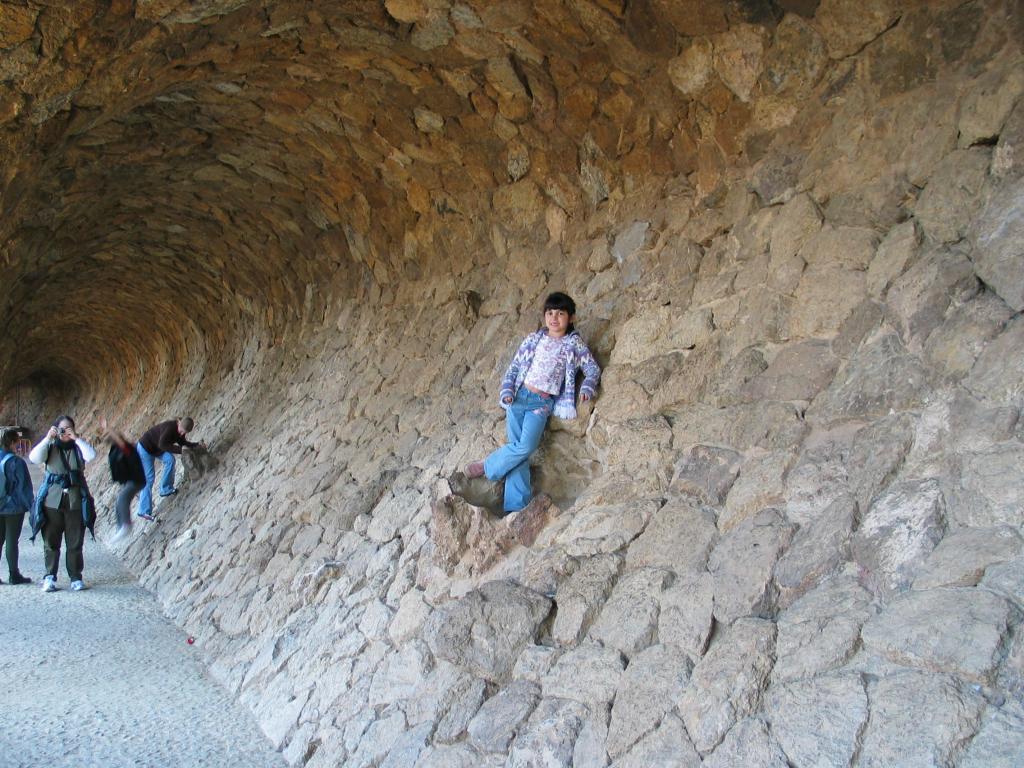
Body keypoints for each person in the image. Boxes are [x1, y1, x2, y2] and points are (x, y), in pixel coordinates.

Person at [466, 292, 601, 515]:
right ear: (544, 316)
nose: (554, 318)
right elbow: (514, 367)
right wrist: (508, 390)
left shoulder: (573, 344)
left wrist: (587, 386)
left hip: (541, 403)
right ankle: (516, 507)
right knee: (519, 454)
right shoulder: (533, 340)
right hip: (519, 398)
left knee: (525, 447)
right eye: (550, 313)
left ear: (571, 317)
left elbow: (592, 369)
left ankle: (488, 466)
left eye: (560, 313)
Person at [29, 415, 96, 592]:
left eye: (68, 428)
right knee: (51, 541)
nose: (65, 432)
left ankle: (75, 576)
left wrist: (77, 438)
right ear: (56, 430)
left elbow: (91, 455)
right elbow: (34, 458)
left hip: (75, 500)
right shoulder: (50, 447)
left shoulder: (78, 447)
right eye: (62, 429)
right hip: (52, 501)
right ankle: (49, 576)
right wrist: (47, 438)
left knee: (75, 542)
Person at [135, 417, 204, 521]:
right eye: (181, 431)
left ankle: (165, 489)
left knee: (170, 460)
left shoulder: (180, 430)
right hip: (145, 448)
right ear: (179, 424)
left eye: (184, 433)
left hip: (156, 448)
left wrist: (197, 445)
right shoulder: (170, 428)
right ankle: (143, 511)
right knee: (149, 478)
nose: (181, 434)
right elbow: (163, 445)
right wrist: (181, 450)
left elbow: (183, 443)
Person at [99, 418, 146, 541]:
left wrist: (108, 428)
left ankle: (126, 525)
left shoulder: (126, 448)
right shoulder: (116, 450)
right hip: (130, 481)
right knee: (119, 502)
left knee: (122, 499)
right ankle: (121, 528)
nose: (106, 438)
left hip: (136, 480)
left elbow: (119, 440)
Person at [0, 427, 34, 585]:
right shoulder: (17, 462)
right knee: (11, 541)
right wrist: (32, 507)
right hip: (13, 508)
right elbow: (24, 487)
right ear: (14, 443)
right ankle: (14, 575)